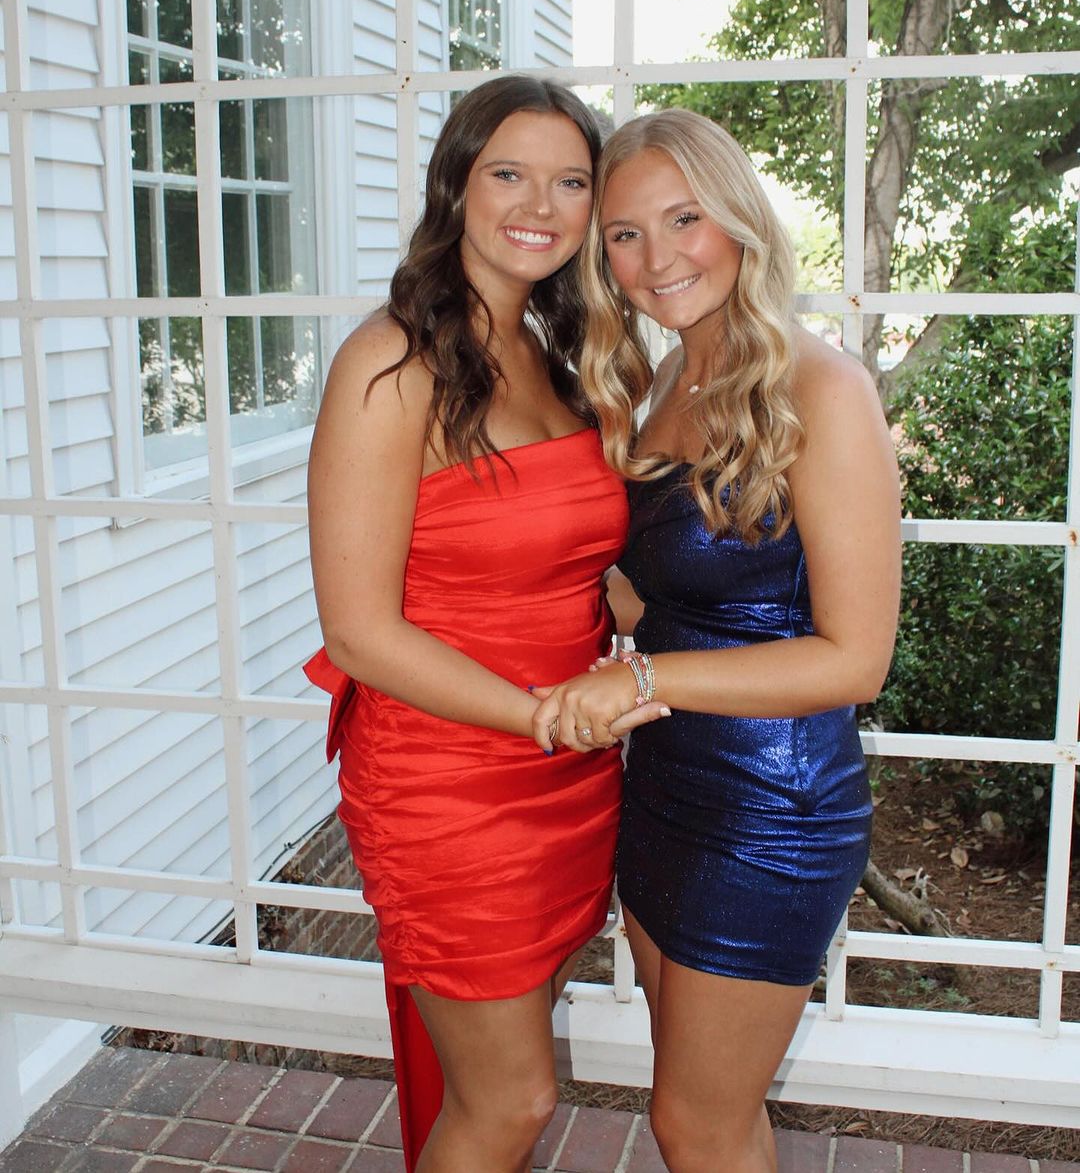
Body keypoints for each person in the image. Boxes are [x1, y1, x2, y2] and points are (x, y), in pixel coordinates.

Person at [303, 76, 665, 1173]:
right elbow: (359, 631)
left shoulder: (559, 356)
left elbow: (583, 564)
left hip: (568, 768)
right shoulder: (390, 362)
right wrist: (541, 716)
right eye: (510, 173)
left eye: (571, 182)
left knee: (494, 1074)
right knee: (510, 1100)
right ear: (457, 183)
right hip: (449, 773)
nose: (540, 206)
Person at [532, 108, 902, 1173]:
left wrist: (642, 675)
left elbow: (856, 659)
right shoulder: (661, 382)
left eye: (683, 218)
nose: (658, 258)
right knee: (713, 1118)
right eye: (625, 233)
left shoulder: (823, 388)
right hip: (665, 784)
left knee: (695, 1125)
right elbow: (664, 592)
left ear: (738, 219)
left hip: (773, 810)